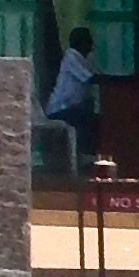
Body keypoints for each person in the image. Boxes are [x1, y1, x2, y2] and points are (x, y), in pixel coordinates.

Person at [44, 30, 101, 174]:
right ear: (80, 43)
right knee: (89, 119)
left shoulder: (83, 60)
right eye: (88, 41)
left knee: (92, 117)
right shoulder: (71, 57)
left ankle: (84, 154)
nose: (91, 45)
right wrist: (113, 80)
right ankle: (85, 155)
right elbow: (90, 78)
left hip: (71, 108)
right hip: (59, 110)